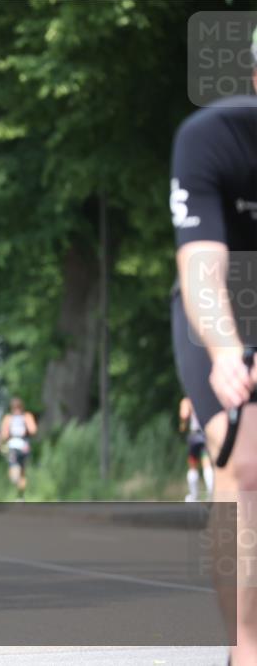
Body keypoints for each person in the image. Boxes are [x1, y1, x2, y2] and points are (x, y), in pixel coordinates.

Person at [169, 34, 257, 666]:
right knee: (246, 459)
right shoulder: (212, 137)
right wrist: (227, 349)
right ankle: (244, 647)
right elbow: (203, 270)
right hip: (222, 301)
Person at [0, 398, 37, 500]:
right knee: (20, 472)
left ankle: (20, 495)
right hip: (21, 446)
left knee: (20, 471)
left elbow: (4, 435)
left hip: (17, 446)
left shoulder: (10, 418)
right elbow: (33, 430)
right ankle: (20, 495)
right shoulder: (26, 416)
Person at [179, 397, 212, 503]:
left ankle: (194, 496)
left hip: (195, 434)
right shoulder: (206, 398)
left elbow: (184, 415)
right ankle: (211, 493)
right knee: (207, 464)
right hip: (206, 433)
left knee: (193, 465)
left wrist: (183, 424)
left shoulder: (188, 400)